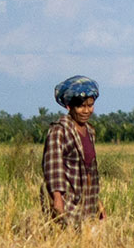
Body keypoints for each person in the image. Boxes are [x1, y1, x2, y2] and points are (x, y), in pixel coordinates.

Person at [43, 75, 103, 226]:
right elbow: (53, 168)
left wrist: (98, 204)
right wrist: (57, 201)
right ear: (69, 107)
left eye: (90, 105)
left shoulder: (89, 131)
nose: (86, 110)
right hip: (67, 202)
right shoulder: (59, 131)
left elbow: (90, 170)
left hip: (87, 203)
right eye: (81, 106)